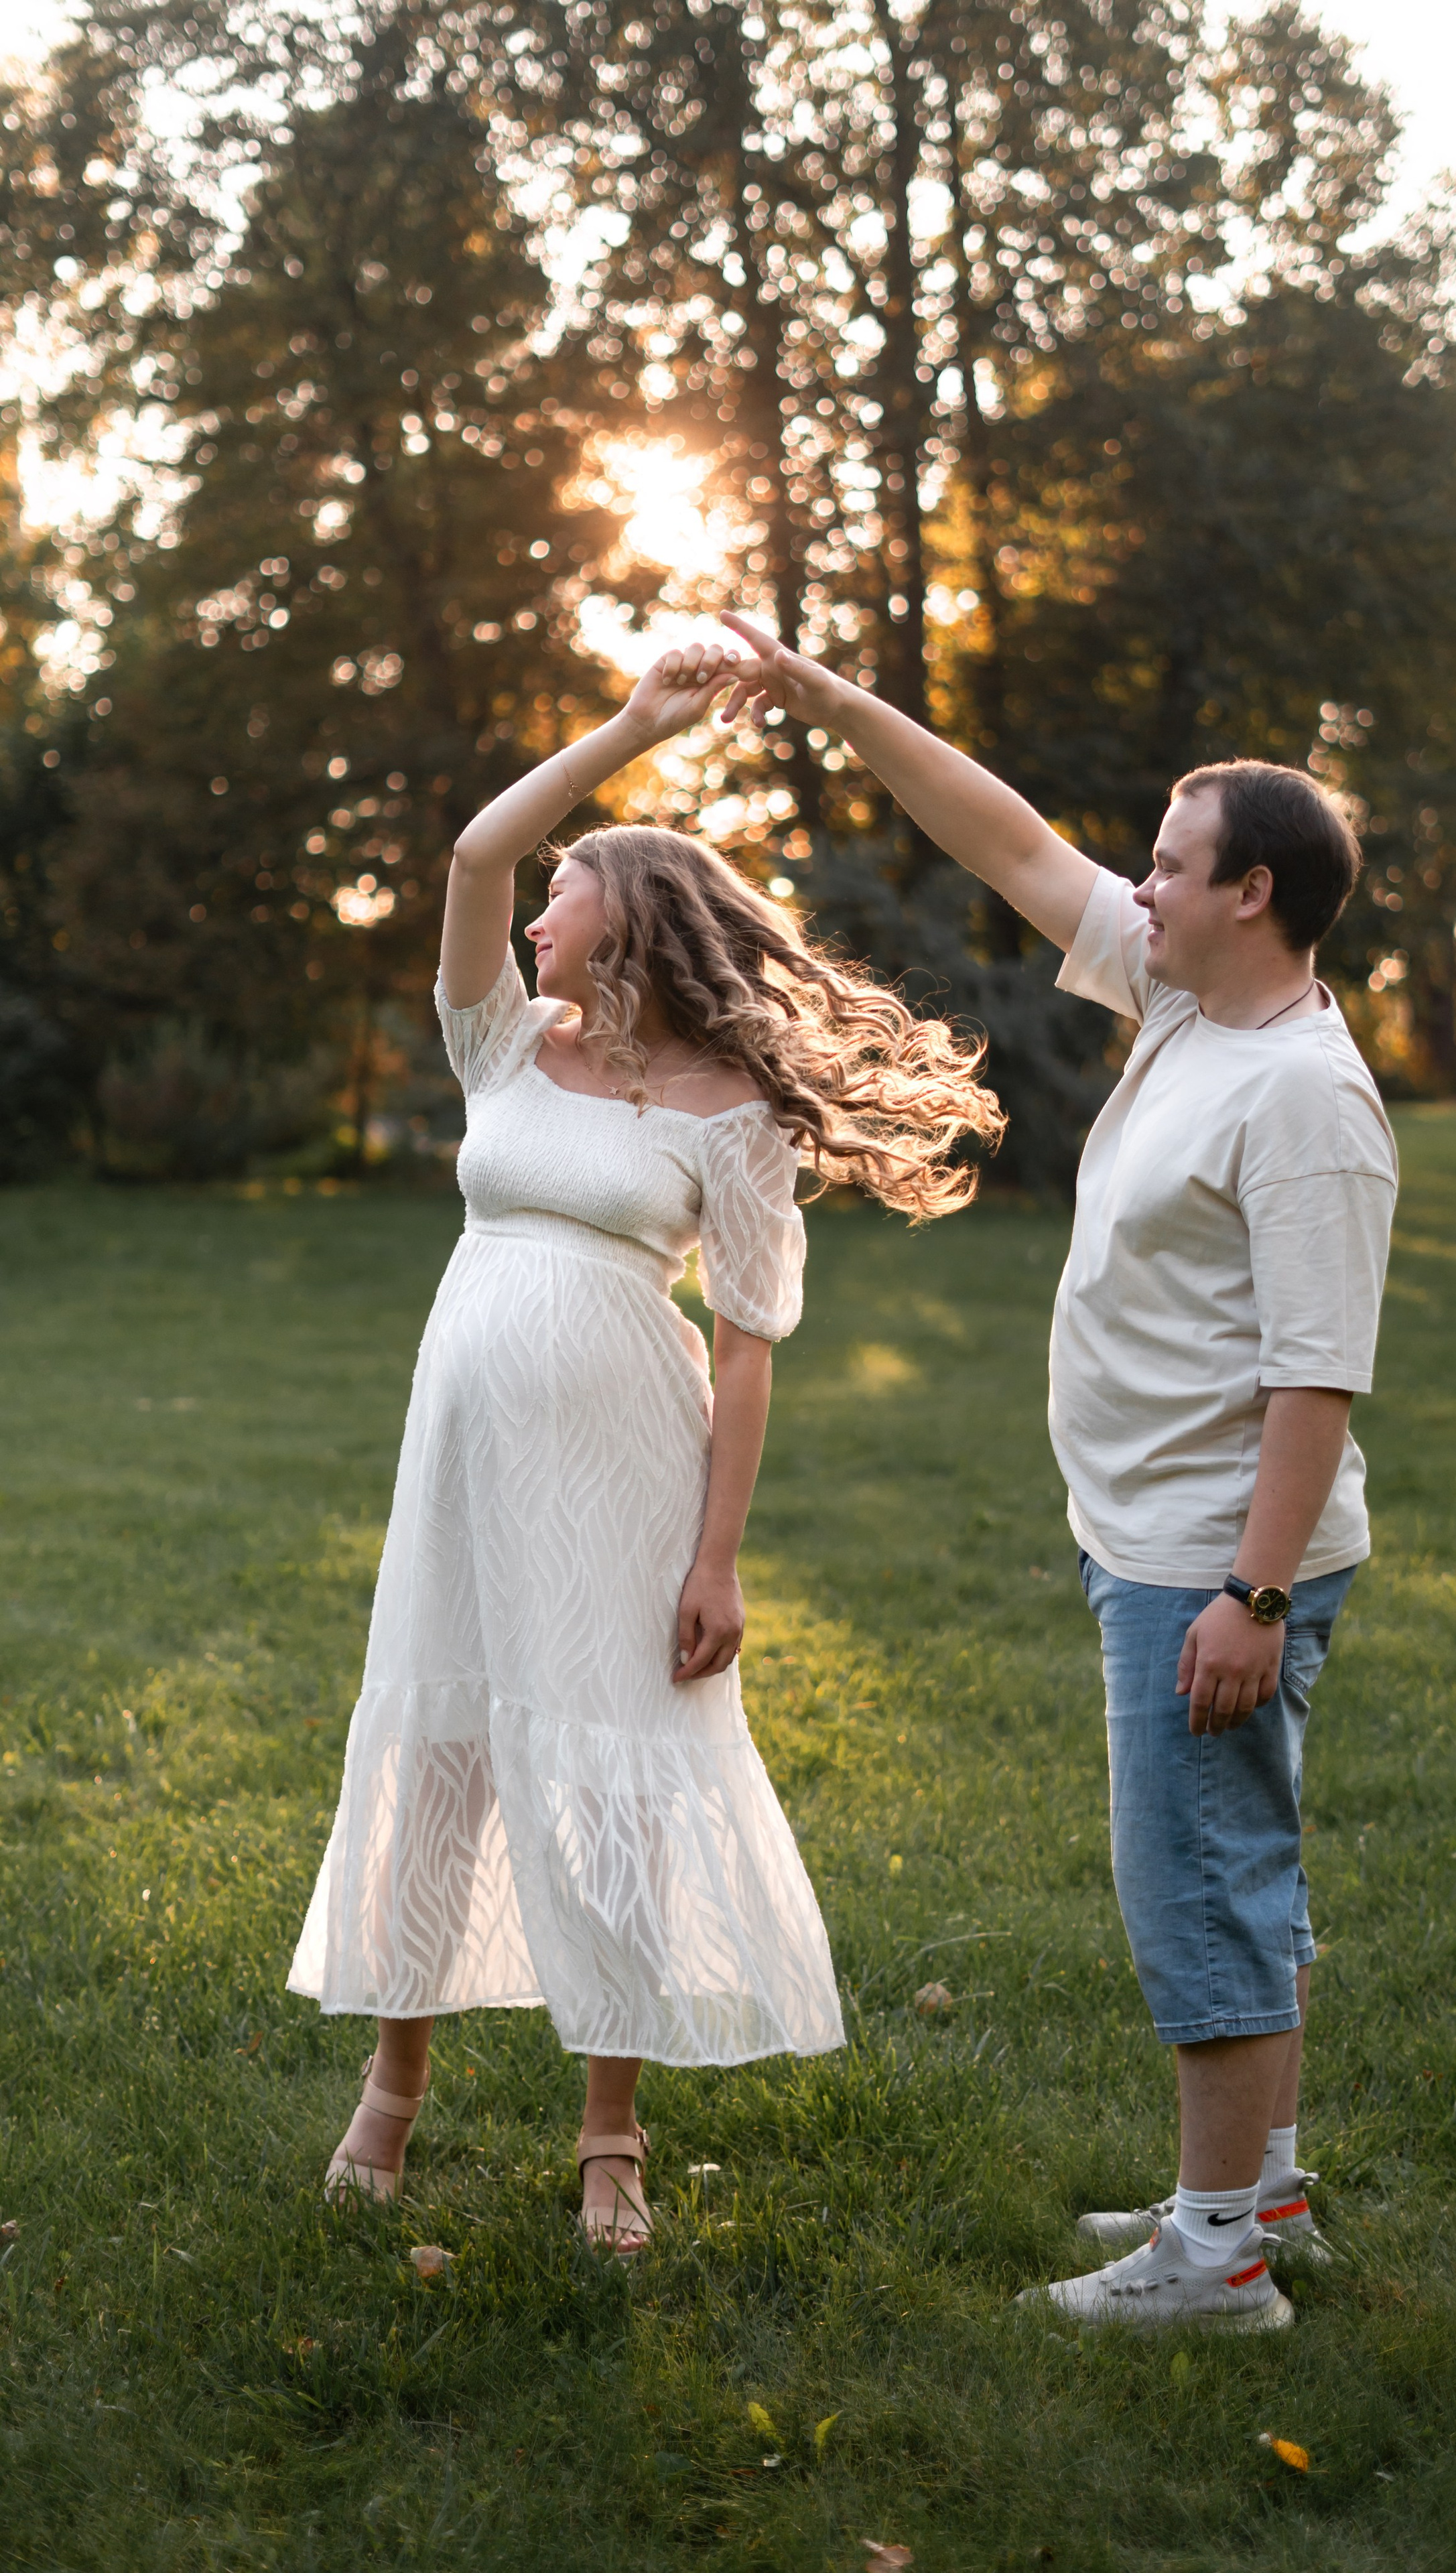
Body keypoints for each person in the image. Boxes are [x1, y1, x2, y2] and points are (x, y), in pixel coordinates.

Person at [724, 610, 1396, 2332]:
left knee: (1197, 1892)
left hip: (1211, 1559)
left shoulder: (1302, 1098)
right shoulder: (1187, 1000)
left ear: (1251, 891)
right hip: (1158, 1538)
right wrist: (820, 693)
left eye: (1167, 864)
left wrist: (1249, 1595)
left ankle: (1214, 2257)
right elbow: (1009, 841)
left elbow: (1315, 1379)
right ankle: (1266, 2194)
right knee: (1240, 1869)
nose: (1136, 885)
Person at [288, 641, 1003, 2251]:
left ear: (633, 915)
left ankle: (610, 2132)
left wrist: (715, 1558)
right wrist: (626, 730)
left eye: (568, 890)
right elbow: (476, 852)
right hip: (463, 1458)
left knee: (605, 1765)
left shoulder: (728, 1109)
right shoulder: (503, 1040)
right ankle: (391, 2090)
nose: (536, 911)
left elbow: (745, 1347)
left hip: (624, 1466)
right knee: (444, 1748)